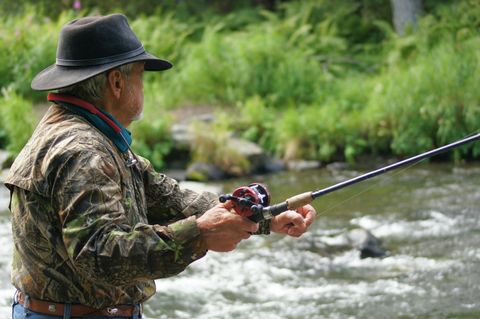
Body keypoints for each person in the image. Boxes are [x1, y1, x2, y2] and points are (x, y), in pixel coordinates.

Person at [4, 14, 316, 319]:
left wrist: (264, 218)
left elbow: (167, 198)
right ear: (116, 82)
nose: (142, 86)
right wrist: (200, 234)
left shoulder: (86, 133)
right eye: (140, 75)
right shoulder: (84, 151)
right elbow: (100, 255)